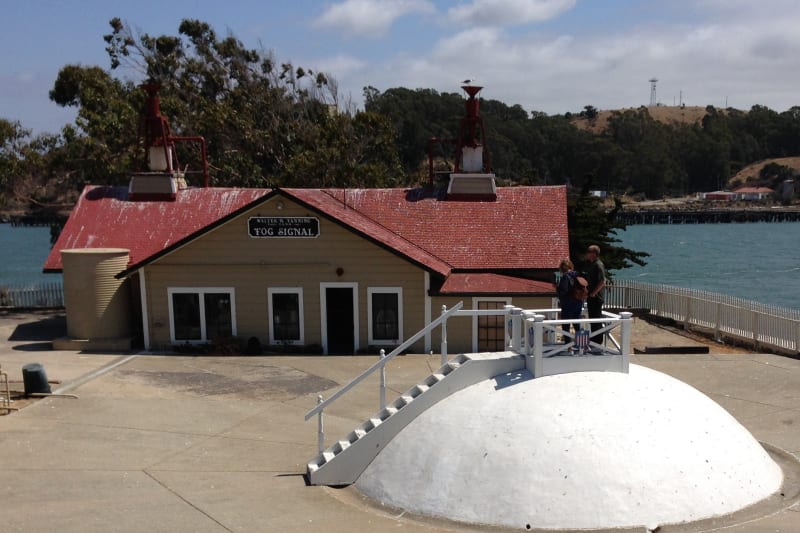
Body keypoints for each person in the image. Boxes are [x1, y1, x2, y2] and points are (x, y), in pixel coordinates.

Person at [556, 258, 585, 340]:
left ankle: (569, 346)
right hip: (578, 302)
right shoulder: (577, 274)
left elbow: (563, 291)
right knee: (577, 324)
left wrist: (557, 288)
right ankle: (581, 345)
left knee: (566, 325)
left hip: (568, 304)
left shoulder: (565, 276)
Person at [584, 244, 607, 347]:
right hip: (591, 297)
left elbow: (602, 281)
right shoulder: (592, 265)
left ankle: (597, 343)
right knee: (592, 320)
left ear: (594, 253)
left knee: (596, 320)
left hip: (596, 298)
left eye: (589, 251)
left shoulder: (598, 265)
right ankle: (594, 341)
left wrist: (593, 293)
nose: (587, 253)